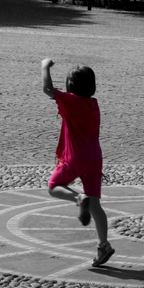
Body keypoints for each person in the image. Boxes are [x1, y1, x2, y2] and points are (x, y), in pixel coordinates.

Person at [41, 58, 115, 267]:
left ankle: (78, 199)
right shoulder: (93, 105)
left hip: (75, 157)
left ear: (70, 86)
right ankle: (103, 245)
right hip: (94, 158)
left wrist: (45, 66)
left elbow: (48, 89)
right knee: (96, 205)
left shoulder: (70, 101)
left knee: (54, 186)